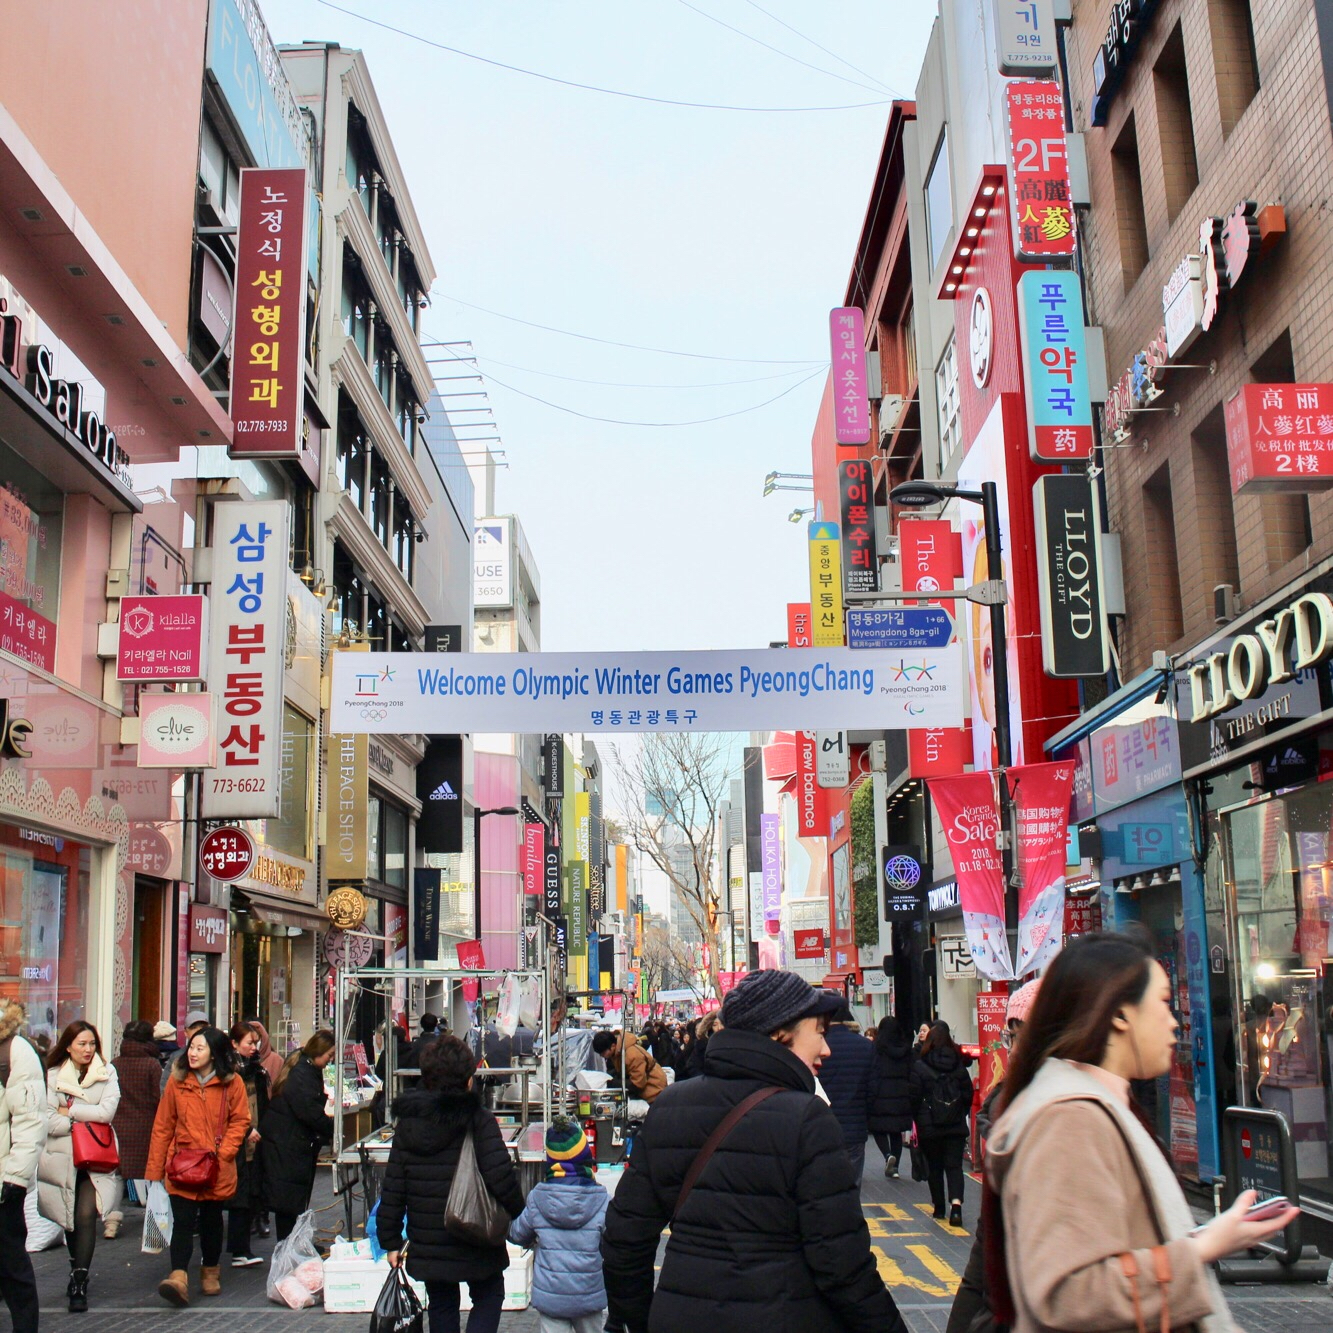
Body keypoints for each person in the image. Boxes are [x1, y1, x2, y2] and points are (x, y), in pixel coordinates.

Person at [985, 933, 1299, 1333]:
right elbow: (1068, 1293)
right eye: (1162, 1003)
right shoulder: (1070, 1119)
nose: (1174, 1021)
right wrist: (1203, 1247)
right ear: (1119, 1014)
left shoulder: (1098, 1104)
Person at [601, 969, 908, 1333]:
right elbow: (841, 1264)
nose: (826, 1049)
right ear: (780, 1032)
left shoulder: (670, 1106)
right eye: (820, 1032)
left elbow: (624, 1239)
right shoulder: (808, 1119)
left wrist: (639, 1319)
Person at [377, 1034, 525, 1333]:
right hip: (476, 1231)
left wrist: (390, 1240)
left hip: (430, 1236)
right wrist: (522, 1214)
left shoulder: (409, 1123)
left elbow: (393, 1186)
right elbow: (500, 1175)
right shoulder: (478, 1119)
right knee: (489, 1292)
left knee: (442, 1301)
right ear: (467, 1079)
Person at [945, 978, 1039, 1333]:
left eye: (1018, 1037)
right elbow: (986, 1250)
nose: (1011, 1051)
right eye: (1008, 1037)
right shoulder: (1008, 1117)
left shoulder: (1070, 1117)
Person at [146, 1026, 250, 1306]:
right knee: (182, 1222)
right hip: (182, 1164)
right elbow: (163, 1125)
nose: (192, 1053)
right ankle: (178, 1276)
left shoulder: (232, 1083)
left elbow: (241, 1120)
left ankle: (210, 1271)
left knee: (212, 1221)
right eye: (191, 1047)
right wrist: (154, 1170)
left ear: (214, 1054)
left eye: (199, 1048)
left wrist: (225, 1152)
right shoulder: (177, 1082)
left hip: (216, 1166)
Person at [37, 1021, 121, 1313]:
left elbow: (107, 1112)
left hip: (96, 1157)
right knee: (69, 1216)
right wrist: (84, 1119)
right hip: (63, 1158)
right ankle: (76, 1265)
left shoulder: (107, 1072)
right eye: (82, 1044)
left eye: (92, 1044)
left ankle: (79, 1280)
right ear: (68, 1045)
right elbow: (48, 1120)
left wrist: (69, 1111)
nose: (88, 1050)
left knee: (86, 1214)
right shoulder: (52, 1076)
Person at [508, 1119, 610, 1333]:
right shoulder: (601, 1199)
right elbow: (614, 1240)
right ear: (585, 1158)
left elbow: (517, 1234)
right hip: (588, 1293)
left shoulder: (538, 1197)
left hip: (551, 1296)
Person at [258, 1030, 335, 1240]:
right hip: (286, 1143)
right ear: (319, 1052)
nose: (330, 1060)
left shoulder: (304, 1067)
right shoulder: (302, 1074)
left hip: (288, 1141)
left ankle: (294, 1246)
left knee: (291, 1201)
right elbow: (309, 1112)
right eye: (329, 1055)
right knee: (288, 1202)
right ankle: (288, 1249)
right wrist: (333, 1129)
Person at [0, 1000, 47, 1332]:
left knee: (12, 1265)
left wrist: (15, 1178)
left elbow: (31, 1120)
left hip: (2, 1181)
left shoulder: (14, 1050)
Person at [908, 1020, 973, 1229]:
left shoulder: (920, 1066)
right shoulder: (958, 1065)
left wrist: (918, 1119)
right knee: (954, 1166)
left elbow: (914, 1096)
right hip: (955, 1125)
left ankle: (938, 1207)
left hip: (930, 1126)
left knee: (935, 1166)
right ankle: (956, 1207)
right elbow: (967, 1094)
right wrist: (958, 1112)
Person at [818, 1000, 879, 1184]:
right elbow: (873, 1089)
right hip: (855, 1125)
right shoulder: (865, 1046)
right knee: (852, 1184)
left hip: (821, 1126)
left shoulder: (818, 1045)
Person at [109, 1020, 162, 1232]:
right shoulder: (152, 1064)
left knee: (117, 1174)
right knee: (152, 1172)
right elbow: (158, 1098)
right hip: (146, 1127)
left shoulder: (115, 1063)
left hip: (118, 1126)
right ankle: (155, 1219)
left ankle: (111, 1222)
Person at [225, 1022, 269, 1267]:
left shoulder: (256, 1071)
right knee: (238, 1196)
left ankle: (241, 1248)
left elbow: (259, 1103)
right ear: (234, 1043)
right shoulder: (230, 1072)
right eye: (249, 1043)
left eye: (256, 1042)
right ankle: (238, 1249)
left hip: (253, 1141)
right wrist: (245, 1129)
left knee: (249, 1193)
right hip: (237, 1142)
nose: (254, 1047)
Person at [867, 1015, 914, 1178]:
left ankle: (888, 1155)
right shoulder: (906, 1050)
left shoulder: (876, 1049)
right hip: (901, 1095)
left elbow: (872, 1071)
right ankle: (895, 1168)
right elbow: (911, 1072)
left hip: (881, 1093)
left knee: (877, 1128)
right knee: (896, 1131)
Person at [591, 1028, 666, 1104]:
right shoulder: (617, 1053)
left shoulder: (631, 1054)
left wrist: (615, 1083)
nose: (602, 1056)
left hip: (654, 1091)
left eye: (603, 1053)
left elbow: (638, 1083)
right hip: (646, 1089)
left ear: (613, 1046)